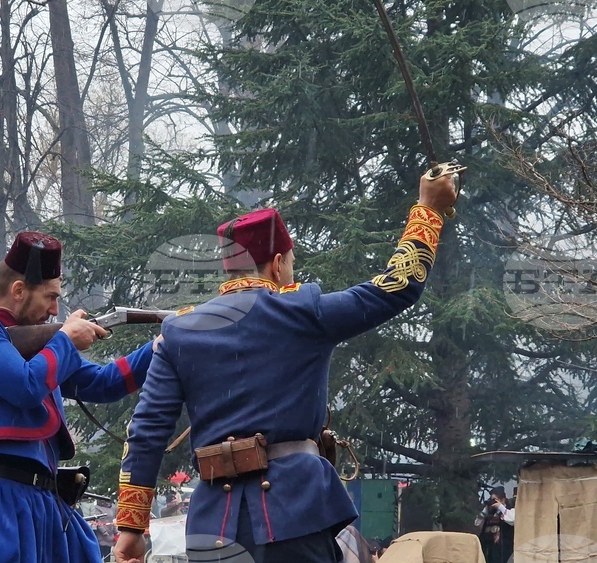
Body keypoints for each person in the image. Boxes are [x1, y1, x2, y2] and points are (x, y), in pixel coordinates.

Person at [112, 170, 458, 563]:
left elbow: (146, 433)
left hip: (214, 529)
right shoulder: (302, 311)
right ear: (277, 264)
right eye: (291, 263)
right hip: (298, 515)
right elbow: (398, 285)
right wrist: (429, 208)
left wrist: (131, 529)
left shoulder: (179, 330)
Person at [0, 231, 159, 563]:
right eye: (50, 297)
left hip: (45, 501)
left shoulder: (43, 347)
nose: (55, 309)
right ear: (19, 291)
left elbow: (103, 383)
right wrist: (65, 341)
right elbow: (25, 387)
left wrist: (159, 347)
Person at [475, 486, 515, 563]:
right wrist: (485, 510)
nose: (493, 502)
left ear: (503, 500)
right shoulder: (490, 512)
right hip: (489, 549)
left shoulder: (510, 510)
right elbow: (477, 523)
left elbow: (512, 520)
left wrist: (501, 507)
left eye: (495, 500)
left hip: (505, 550)